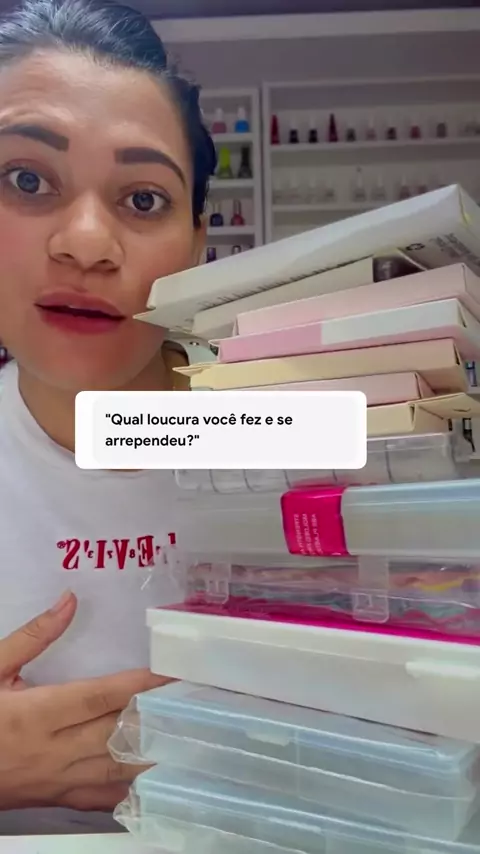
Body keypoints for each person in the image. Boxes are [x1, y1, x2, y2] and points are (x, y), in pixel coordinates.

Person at [0, 0, 217, 835]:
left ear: (197, 242)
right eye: (27, 181)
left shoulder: (315, 447)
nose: (87, 243)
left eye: (143, 198)